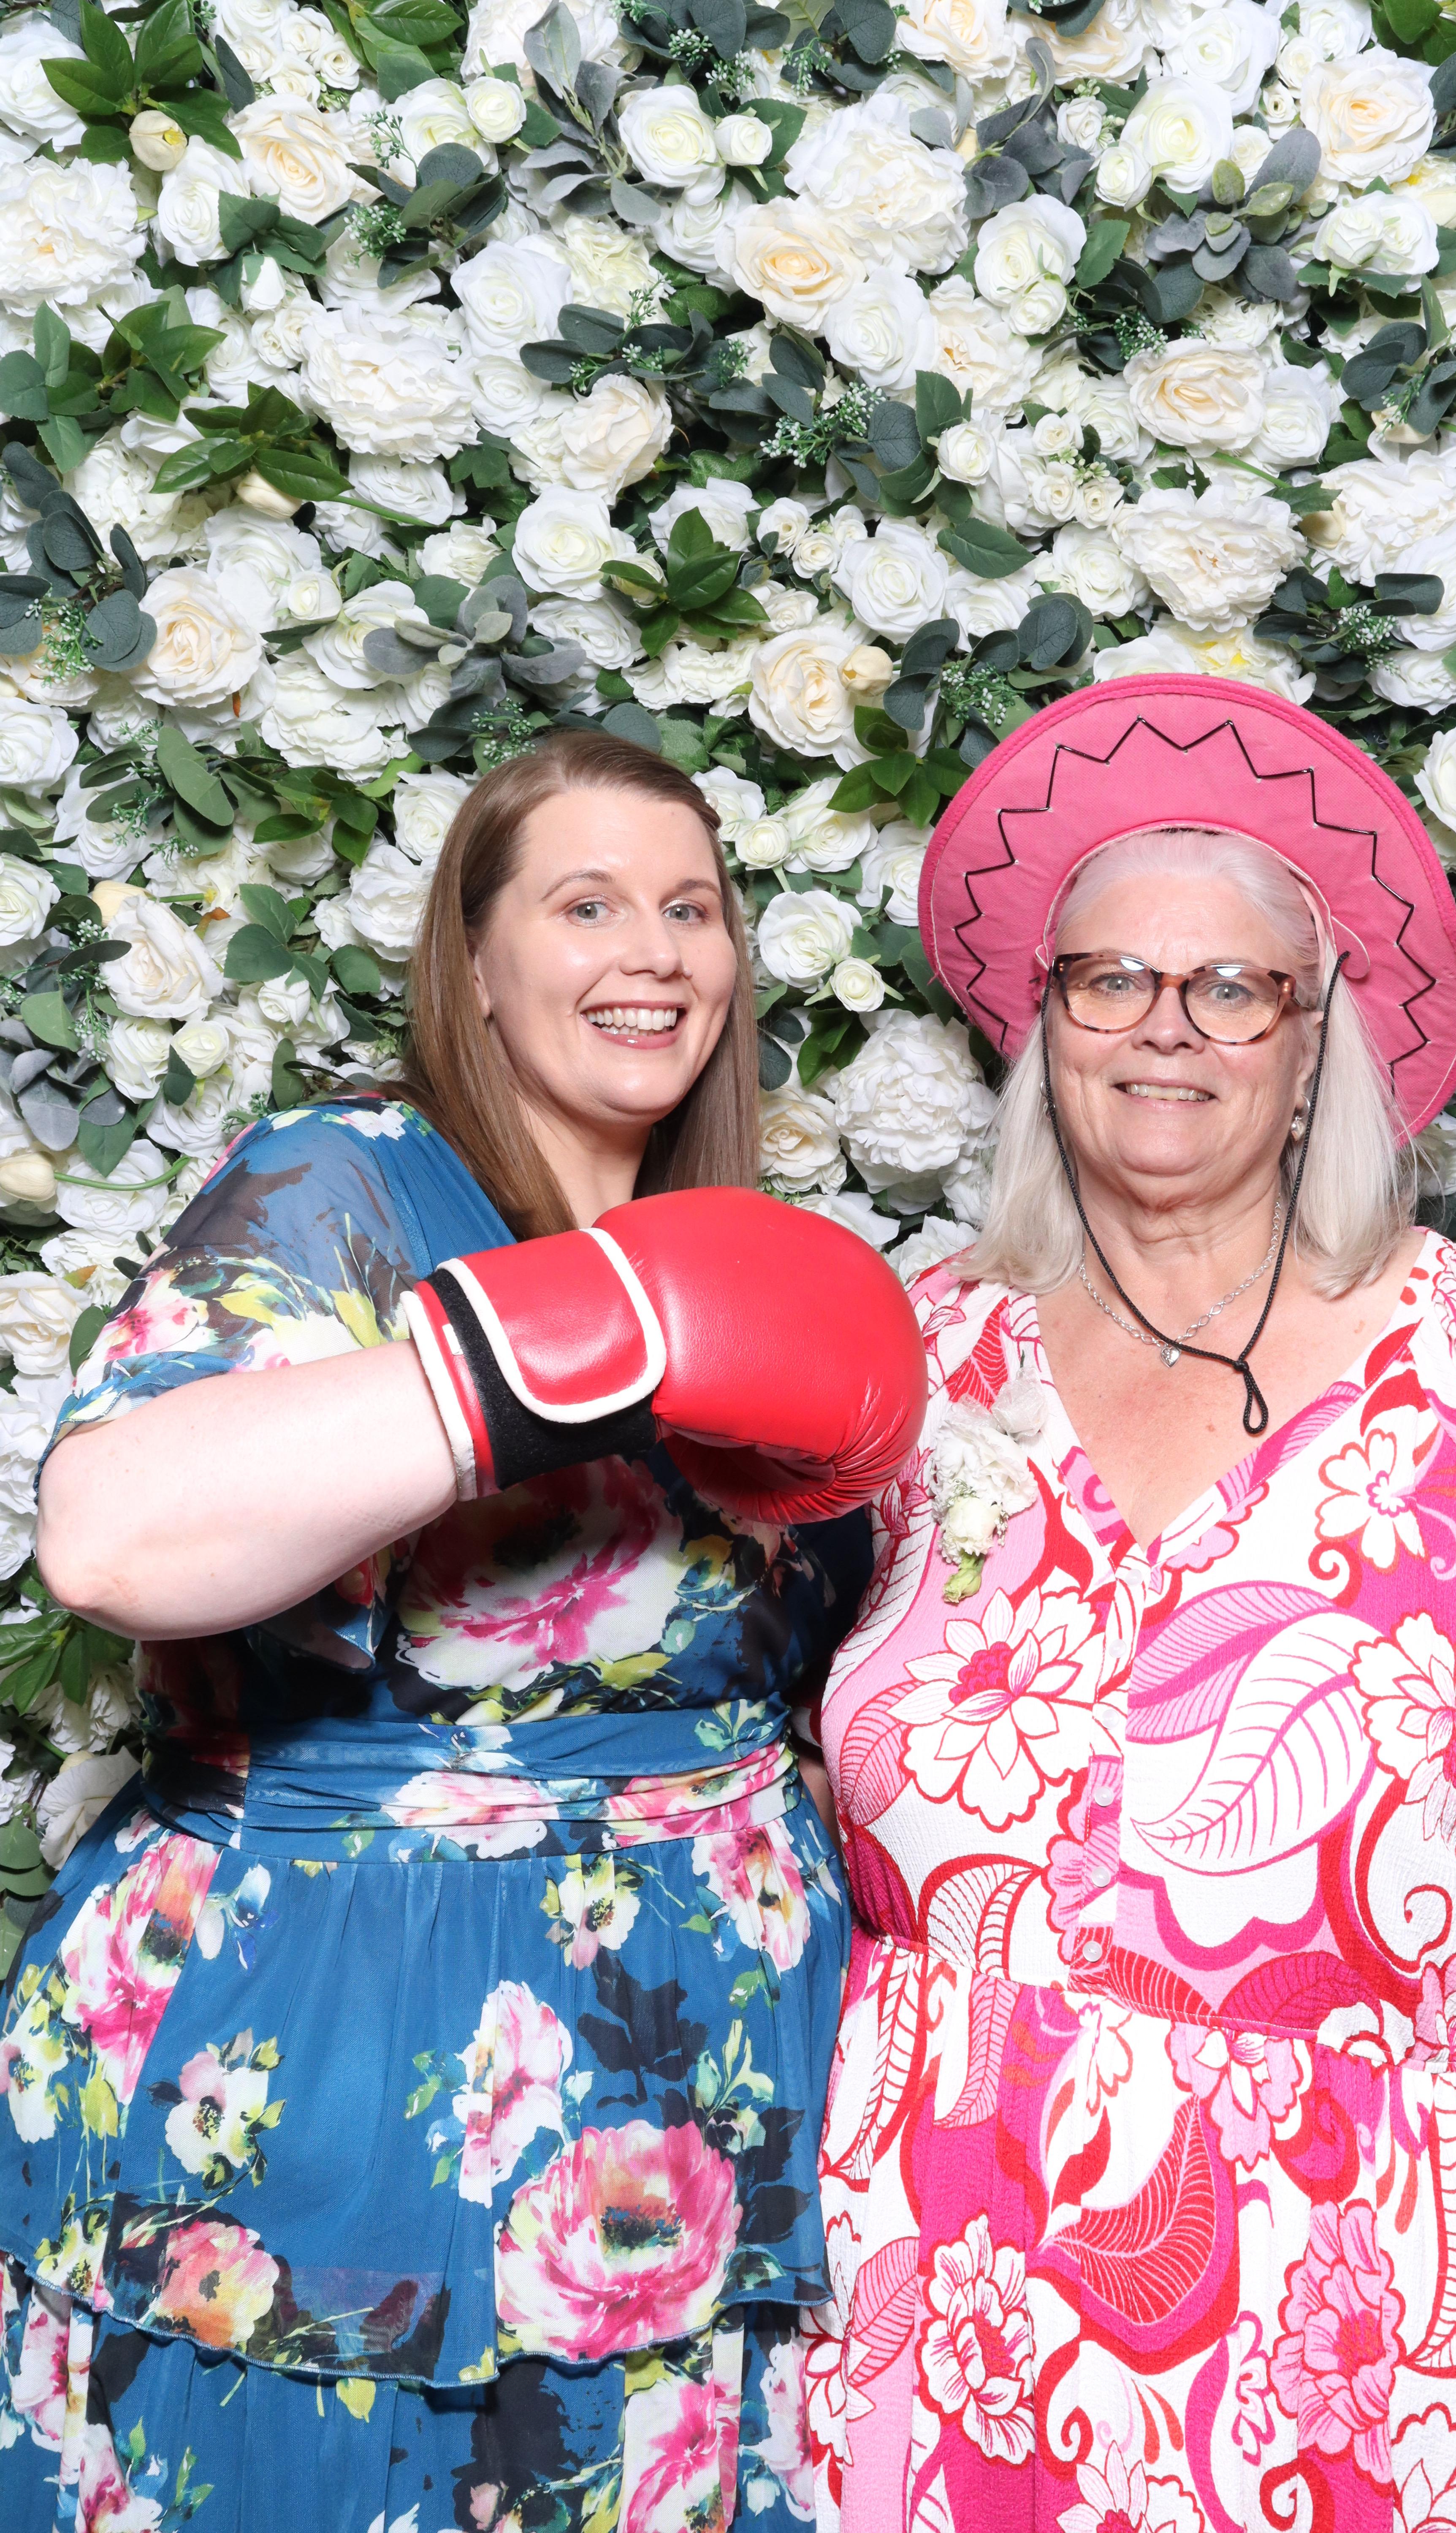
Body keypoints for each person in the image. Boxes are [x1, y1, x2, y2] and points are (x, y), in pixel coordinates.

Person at [0, 729, 925, 2533]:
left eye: (692, 908)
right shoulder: (345, 1184)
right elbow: (111, 1543)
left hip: (711, 2061)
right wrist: (566, 1337)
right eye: (586, 905)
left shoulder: (752, 1244)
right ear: (477, 969)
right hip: (356, 2051)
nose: (652, 951)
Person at [803, 674, 1456, 2533]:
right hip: (933, 2280)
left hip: (1378, 2312)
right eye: (1108, 979)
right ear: (1044, 1025)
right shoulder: (920, 1362)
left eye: (1233, 988)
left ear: (1313, 1042)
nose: (1163, 1031)